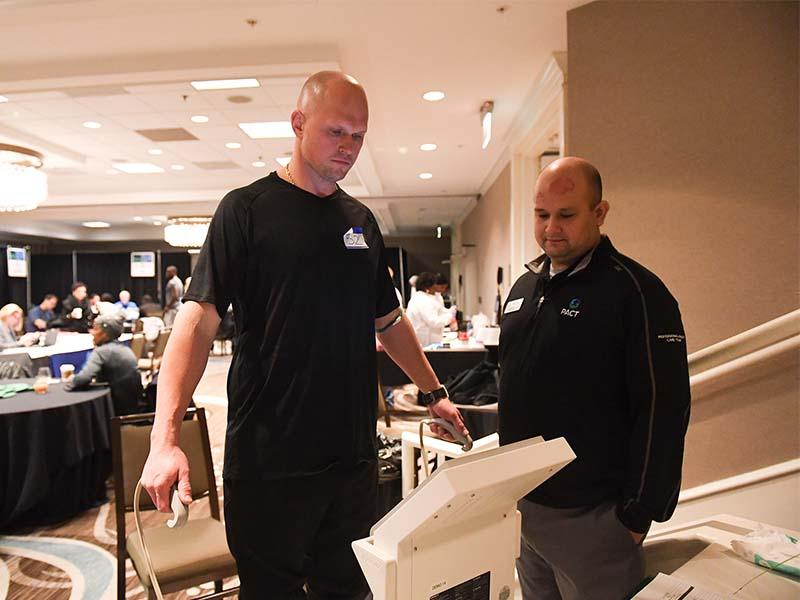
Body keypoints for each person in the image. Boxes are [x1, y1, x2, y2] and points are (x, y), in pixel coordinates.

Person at [140, 70, 468, 600]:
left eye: (359, 135)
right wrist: (165, 438)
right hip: (271, 464)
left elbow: (387, 320)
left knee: (349, 590)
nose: (349, 147)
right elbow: (198, 321)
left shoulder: (360, 220)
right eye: (337, 131)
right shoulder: (244, 211)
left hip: (352, 460)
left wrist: (435, 393)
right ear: (297, 123)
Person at [498, 157, 691, 600]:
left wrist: (639, 514)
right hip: (525, 511)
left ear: (599, 214)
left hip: (594, 519)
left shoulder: (637, 293)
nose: (551, 228)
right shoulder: (524, 290)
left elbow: (664, 407)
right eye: (541, 214)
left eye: (566, 215)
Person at [65, 313, 142, 415]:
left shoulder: (102, 352)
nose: (92, 333)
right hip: (131, 407)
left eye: (96, 329)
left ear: (105, 333)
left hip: (116, 412)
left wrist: (69, 381)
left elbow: (84, 378)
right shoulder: (124, 348)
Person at [406, 271, 457, 347]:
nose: (436, 287)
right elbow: (433, 321)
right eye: (434, 284)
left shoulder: (425, 297)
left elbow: (439, 309)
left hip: (426, 340)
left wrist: (450, 312)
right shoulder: (423, 300)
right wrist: (450, 317)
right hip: (424, 341)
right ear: (427, 287)